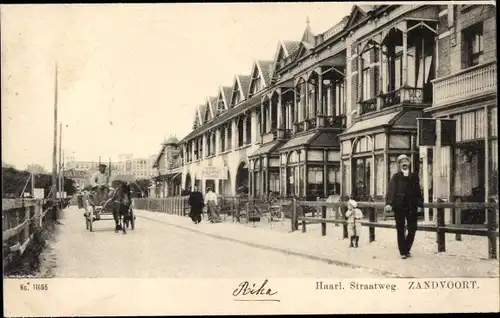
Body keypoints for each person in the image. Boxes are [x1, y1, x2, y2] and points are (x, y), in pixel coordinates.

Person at [385, 154, 424, 259]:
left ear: (409, 163)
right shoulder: (396, 177)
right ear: (399, 165)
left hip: (412, 206)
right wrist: (389, 203)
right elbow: (391, 191)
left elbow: (418, 192)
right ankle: (403, 251)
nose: (404, 164)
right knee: (400, 229)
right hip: (399, 206)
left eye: (406, 162)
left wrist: (420, 204)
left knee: (412, 228)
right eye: (402, 162)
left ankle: (406, 248)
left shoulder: (414, 177)